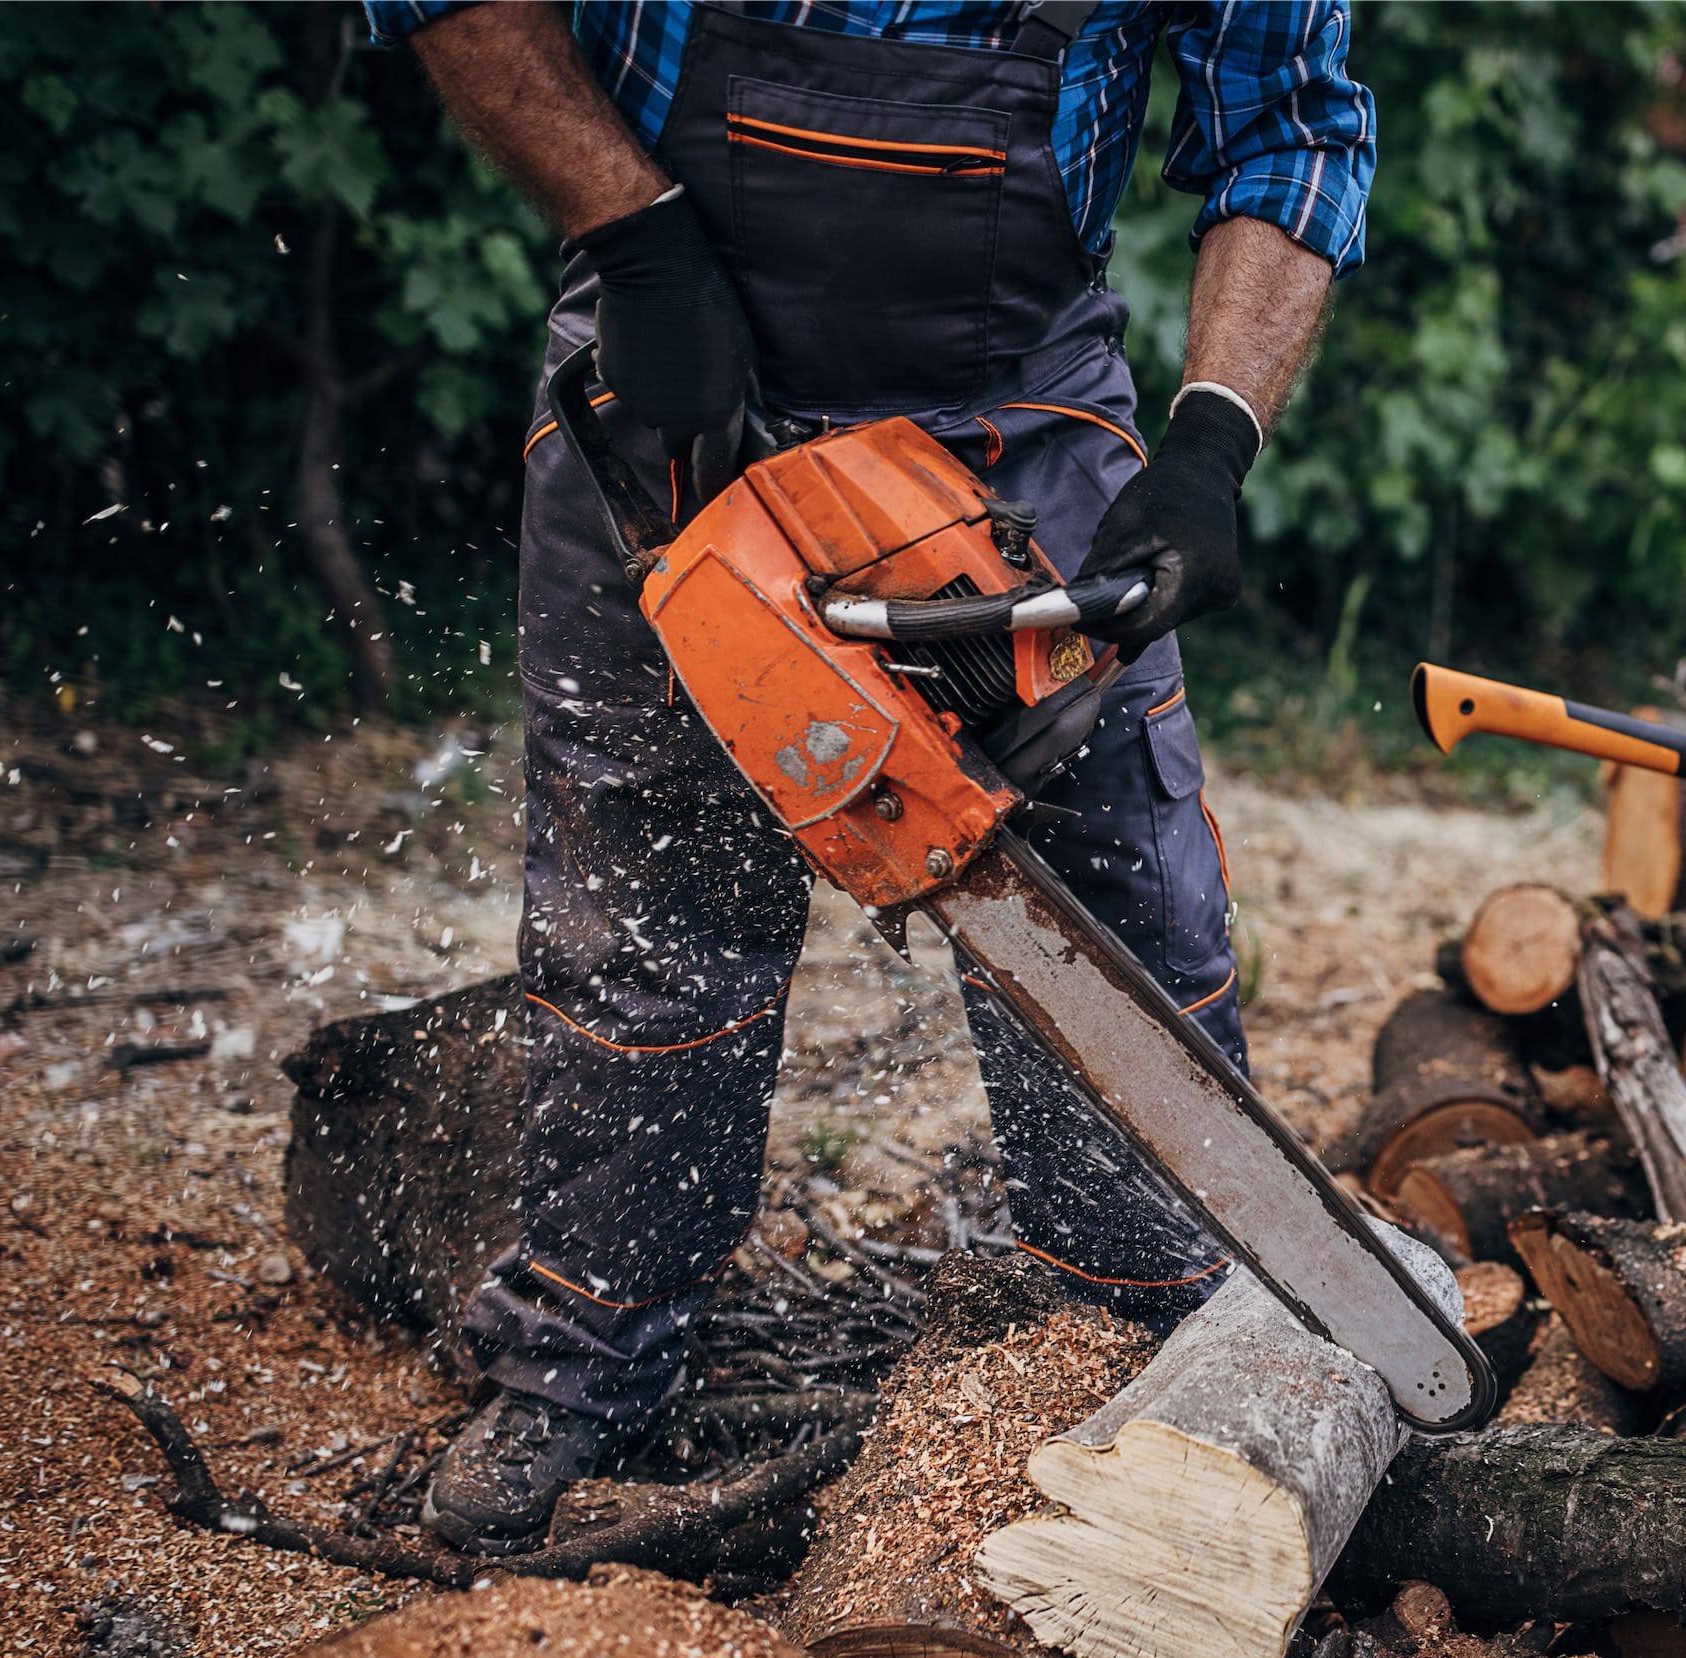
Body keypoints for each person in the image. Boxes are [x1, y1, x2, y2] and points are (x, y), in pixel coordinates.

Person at [361, 0, 1371, 1552]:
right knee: (647, 897)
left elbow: (1290, 128)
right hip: (678, 357)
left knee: (1120, 902)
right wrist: (629, 233)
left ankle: (1167, 1335)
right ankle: (583, 1350)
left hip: (1012, 396)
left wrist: (1212, 443)